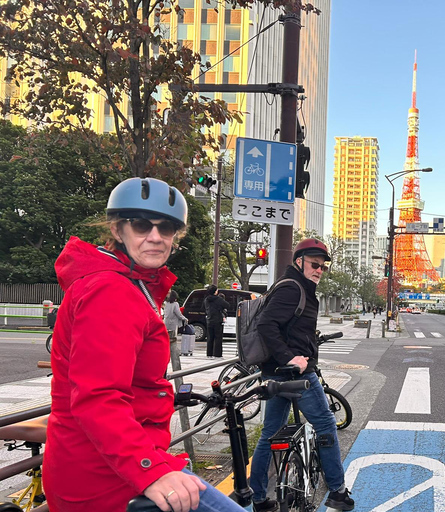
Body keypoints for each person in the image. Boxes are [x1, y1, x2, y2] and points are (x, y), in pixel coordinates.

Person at [43, 177, 247, 512]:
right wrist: (152, 472)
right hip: (105, 480)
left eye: (165, 228)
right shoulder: (110, 290)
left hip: (120, 465)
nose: (155, 237)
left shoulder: (131, 284)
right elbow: (98, 397)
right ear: (118, 229)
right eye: (141, 225)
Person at [249, 238, 354, 512]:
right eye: (314, 264)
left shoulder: (296, 286)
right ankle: (337, 492)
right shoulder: (293, 289)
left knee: (270, 433)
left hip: (276, 374)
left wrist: (307, 342)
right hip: (295, 375)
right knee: (326, 425)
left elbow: (287, 327)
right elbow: (266, 325)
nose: (319, 270)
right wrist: (290, 358)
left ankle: (258, 498)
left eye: (322, 266)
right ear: (299, 262)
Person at [203, 285, 229, 359]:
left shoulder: (206, 299)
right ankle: (217, 354)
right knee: (218, 337)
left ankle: (209, 354)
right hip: (218, 319)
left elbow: (204, 308)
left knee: (210, 337)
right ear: (215, 291)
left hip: (209, 319)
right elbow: (227, 305)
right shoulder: (219, 299)